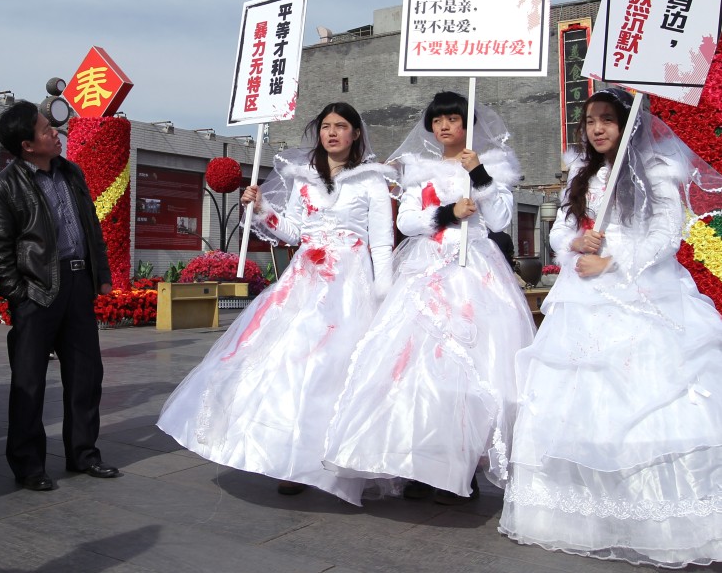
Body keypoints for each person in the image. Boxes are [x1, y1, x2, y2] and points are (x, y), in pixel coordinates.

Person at [499, 88, 722, 567]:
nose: (597, 128)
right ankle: (581, 516)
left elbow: (667, 232)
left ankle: (657, 518)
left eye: (608, 120)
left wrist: (614, 262)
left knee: (646, 394)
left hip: (643, 288)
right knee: (579, 398)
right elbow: (559, 230)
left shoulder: (659, 171)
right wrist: (578, 242)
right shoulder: (582, 175)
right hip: (584, 292)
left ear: (628, 124)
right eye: (591, 120)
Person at [157, 102, 393, 505]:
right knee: (289, 364)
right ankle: (289, 461)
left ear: (356, 134)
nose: (332, 133)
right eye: (325, 127)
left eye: (341, 126)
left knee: (335, 369)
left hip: (350, 282)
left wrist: (384, 293)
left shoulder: (372, 182)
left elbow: (382, 241)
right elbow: (293, 231)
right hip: (305, 279)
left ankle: (331, 459)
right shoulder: (304, 180)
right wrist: (262, 208)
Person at [322, 91, 534, 504]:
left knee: (470, 368)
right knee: (416, 369)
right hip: (426, 272)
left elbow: (501, 219)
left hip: (474, 270)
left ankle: (465, 465)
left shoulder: (492, 166)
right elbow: (407, 220)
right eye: (438, 121)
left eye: (453, 119)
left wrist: (482, 176)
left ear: (467, 125)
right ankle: (422, 461)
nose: (444, 127)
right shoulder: (419, 171)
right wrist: (446, 213)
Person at [0, 100, 118, 491]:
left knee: (86, 376)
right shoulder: (3, 187)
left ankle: (83, 454)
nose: (54, 133)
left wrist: (101, 275)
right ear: (27, 145)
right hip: (37, 292)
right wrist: (18, 295)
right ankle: (28, 466)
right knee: (29, 383)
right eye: (45, 130)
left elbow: (90, 227)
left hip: (77, 287)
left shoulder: (70, 172)